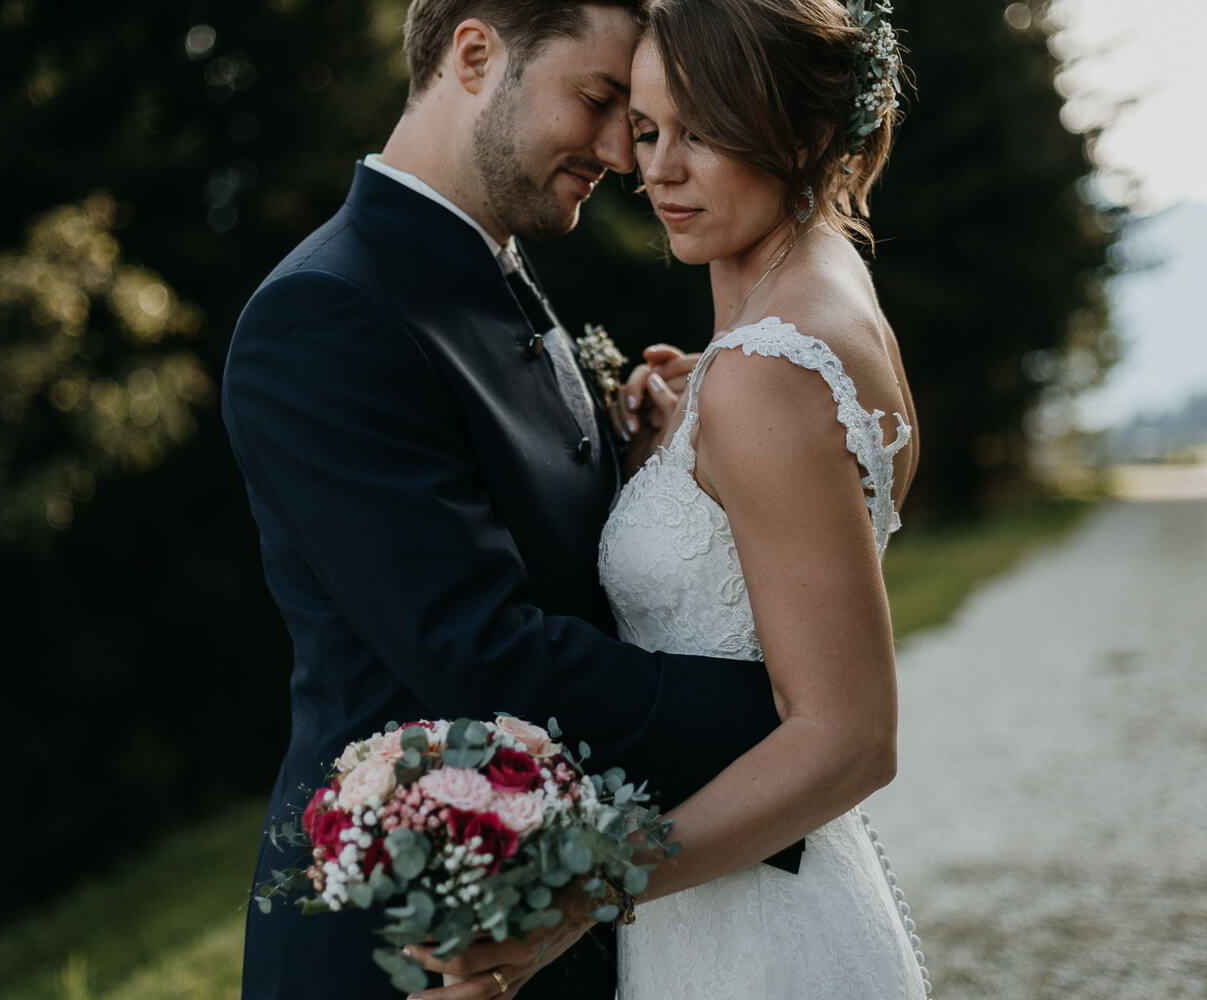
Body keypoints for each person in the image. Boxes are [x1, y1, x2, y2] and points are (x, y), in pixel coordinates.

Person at [219, 2, 802, 997]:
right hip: (407, 947)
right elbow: (481, 648)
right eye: (600, 99)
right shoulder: (326, 313)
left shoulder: (494, 269)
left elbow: (546, 548)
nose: (624, 151)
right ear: (477, 53)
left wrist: (651, 452)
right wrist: (788, 722)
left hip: (535, 918)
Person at [406, 0, 932, 996]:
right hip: (767, 894)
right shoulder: (815, 295)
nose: (659, 169)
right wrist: (673, 450)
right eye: (647, 129)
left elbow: (851, 734)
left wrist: (583, 894)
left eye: (706, 131)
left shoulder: (766, 370)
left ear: (807, 135)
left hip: (755, 937)